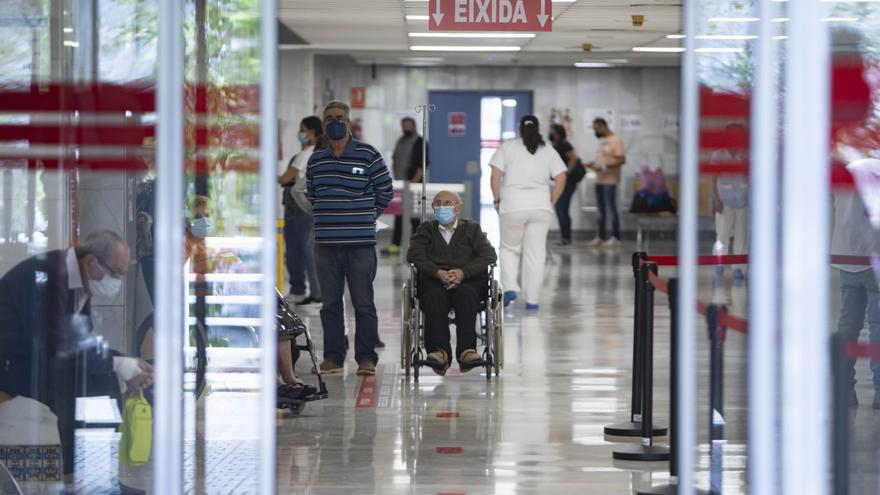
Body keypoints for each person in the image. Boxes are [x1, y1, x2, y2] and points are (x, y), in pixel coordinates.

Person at [0, 230, 153, 482]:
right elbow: (57, 345)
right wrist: (119, 363)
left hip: (35, 356)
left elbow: (82, 341)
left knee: (101, 381)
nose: (117, 282)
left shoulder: (79, 281)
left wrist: (127, 365)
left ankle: (95, 476)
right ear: (91, 262)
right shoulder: (50, 277)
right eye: (116, 273)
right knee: (74, 391)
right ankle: (78, 479)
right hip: (10, 360)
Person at [307, 101, 394, 376]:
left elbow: (385, 191)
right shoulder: (316, 159)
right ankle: (333, 356)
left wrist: (366, 216)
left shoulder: (368, 154)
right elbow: (311, 194)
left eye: (340, 118)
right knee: (330, 303)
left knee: (363, 302)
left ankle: (366, 358)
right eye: (330, 118)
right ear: (323, 123)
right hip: (326, 244)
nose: (335, 122)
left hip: (360, 244)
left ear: (349, 122)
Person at [407, 191, 498, 375]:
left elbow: (489, 255)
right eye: (438, 203)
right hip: (434, 281)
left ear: (458, 207)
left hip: (468, 281)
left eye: (447, 203)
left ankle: (467, 351)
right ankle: (439, 352)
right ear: (432, 207)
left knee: (466, 295)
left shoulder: (472, 229)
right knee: (434, 297)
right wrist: (437, 272)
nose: (442, 207)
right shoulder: (425, 230)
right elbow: (414, 255)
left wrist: (463, 273)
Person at [490, 115, 567, 311]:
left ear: (519, 128)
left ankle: (510, 288)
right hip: (540, 207)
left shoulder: (507, 147)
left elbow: (495, 175)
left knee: (509, 249)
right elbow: (561, 177)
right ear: (538, 128)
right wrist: (552, 201)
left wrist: (497, 199)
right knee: (535, 254)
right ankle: (532, 300)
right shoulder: (548, 149)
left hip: (512, 206)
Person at [279, 116, 325, 305]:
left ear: (312, 132)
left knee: (299, 250)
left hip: (299, 206)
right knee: (304, 249)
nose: (301, 134)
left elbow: (286, 178)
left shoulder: (307, 153)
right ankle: (313, 290)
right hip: (304, 205)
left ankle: (307, 290)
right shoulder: (315, 152)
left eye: (302, 130)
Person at [711, 123, 750, 280]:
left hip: (744, 201)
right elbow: (713, 179)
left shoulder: (747, 154)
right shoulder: (718, 155)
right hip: (724, 200)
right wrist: (715, 200)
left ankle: (739, 269)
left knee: (742, 237)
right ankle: (719, 263)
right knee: (722, 235)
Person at [385, 117, 428, 255]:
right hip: (400, 185)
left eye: (408, 126)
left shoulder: (420, 142)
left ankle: (418, 247)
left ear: (414, 126)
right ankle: (395, 246)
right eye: (404, 126)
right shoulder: (401, 141)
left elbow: (422, 166)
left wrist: (413, 184)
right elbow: (395, 160)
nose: (405, 128)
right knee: (399, 216)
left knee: (415, 217)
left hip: (413, 186)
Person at [585, 118, 626, 247]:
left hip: (610, 181)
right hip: (600, 180)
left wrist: (604, 167)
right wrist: (594, 164)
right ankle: (600, 237)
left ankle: (615, 237)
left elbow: (621, 160)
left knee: (611, 209)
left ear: (603, 126)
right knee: (600, 210)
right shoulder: (603, 142)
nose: (595, 132)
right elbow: (603, 160)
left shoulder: (615, 140)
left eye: (596, 129)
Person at [549, 123, 583, 246]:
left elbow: (574, 158)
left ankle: (566, 237)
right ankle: (564, 237)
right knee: (559, 208)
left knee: (562, 208)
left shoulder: (564, 144)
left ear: (557, 132)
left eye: (551, 131)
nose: (550, 133)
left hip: (567, 182)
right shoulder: (556, 145)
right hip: (560, 181)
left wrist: (566, 173)